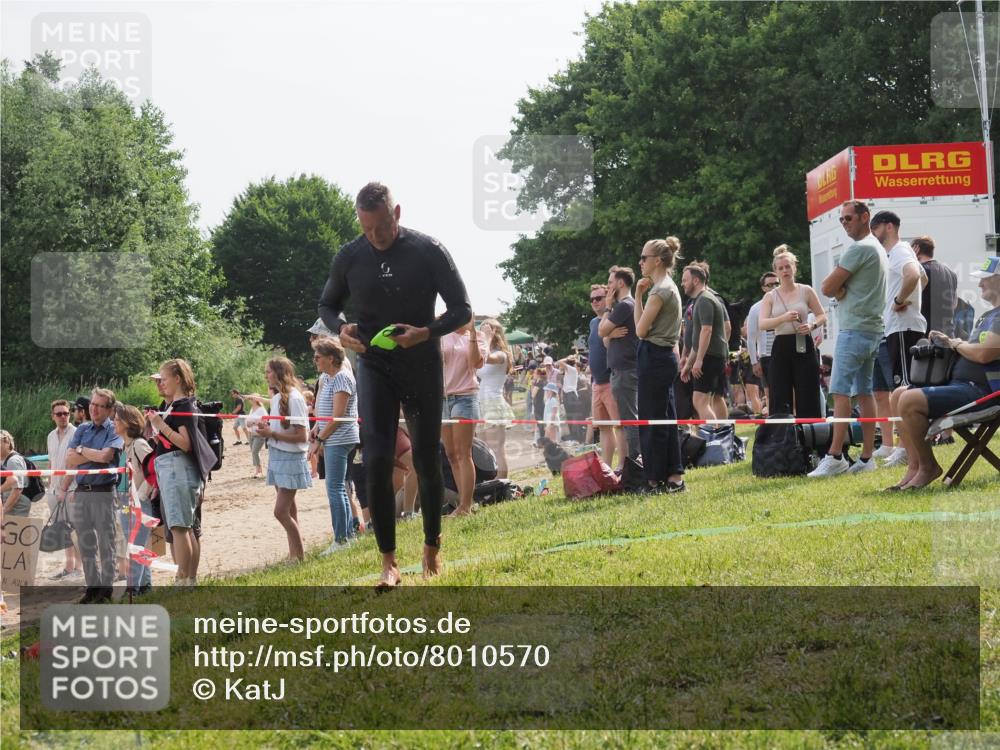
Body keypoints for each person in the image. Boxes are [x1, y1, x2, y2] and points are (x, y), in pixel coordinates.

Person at [317, 181, 472, 588]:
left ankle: (432, 546)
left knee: (425, 457)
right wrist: (341, 329)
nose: (376, 236)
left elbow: (462, 310)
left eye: (382, 227)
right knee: (378, 458)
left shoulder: (427, 250)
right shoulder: (350, 256)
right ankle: (389, 561)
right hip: (374, 364)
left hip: (421, 362)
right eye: (367, 229)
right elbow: (327, 305)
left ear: (396, 213)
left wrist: (426, 332)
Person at [887, 257, 1000, 489]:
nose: (980, 284)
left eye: (985, 279)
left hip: (984, 392)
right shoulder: (987, 316)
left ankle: (928, 467)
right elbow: (974, 350)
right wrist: (950, 342)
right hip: (962, 386)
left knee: (908, 400)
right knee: (898, 394)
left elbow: (984, 354)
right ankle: (915, 467)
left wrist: (954, 343)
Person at [811, 200, 887, 477]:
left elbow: (827, 287)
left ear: (865, 217)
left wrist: (840, 291)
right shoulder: (877, 247)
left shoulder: (859, 248)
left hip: (854, 329)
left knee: (840, 392)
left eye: (848, 218)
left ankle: (835, 456)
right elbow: (835, 288)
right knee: (865, 393)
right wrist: (842, 291)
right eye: (841, 220)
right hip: (872, 329)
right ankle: (866, 458)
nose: (844, 223)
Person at [869, 211, 927, 466]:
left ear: (889, 226)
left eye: (875, 227)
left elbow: (914, 275)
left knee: (903, 392)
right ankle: (905, 447)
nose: (873, 233)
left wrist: (900, 300)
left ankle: (906, 449)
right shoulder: (900, 251)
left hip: (903, 328)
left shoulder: (900, 250)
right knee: (902, 390)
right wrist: (911, 298)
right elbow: (923, 278)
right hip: (900, 328)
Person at [144, 360, 203, 586]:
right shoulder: (174, 405)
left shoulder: (183, 405)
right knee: (185, 528)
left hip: (178, 468)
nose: (161, 383)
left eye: (164, 378)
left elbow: (185, 443)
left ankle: (183, 579)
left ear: (177, 379)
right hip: (173, 467)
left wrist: (161, 425)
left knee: (179, 527)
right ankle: (189, 580)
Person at [634, 237, 686, 493]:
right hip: (663, 357)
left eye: (644, 258)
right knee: (666, 418)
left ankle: (654, 479)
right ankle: (673, 476)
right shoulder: (668, 286)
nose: (640, 262)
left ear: (657, 261)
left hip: (655, 356)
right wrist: (639, 295)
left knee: (652, 420)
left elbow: (640, 330)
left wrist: (638, 296)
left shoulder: (660, 291)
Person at [65, 389, 124, 603]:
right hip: (82, 492)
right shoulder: (82, 428)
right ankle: (92, 587)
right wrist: (92, 454)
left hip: (103, 492)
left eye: (99, 405)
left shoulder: (114, 428)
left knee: (106, 542)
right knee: (85, 543)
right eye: (92, 404)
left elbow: (106, 456)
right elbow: (70, 458)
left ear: (109, 409)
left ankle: (105, 590)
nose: (94, 409)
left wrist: (82, 451)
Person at [253, 357, 311, 562]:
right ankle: (294, 554)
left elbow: (302, 436)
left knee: (280, 511)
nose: (266, 376)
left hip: (291, 458)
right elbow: (278, 430)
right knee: (290, 509)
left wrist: (272, 434)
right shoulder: (277, 398)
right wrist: (266, 430)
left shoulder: (295, 398)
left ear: (279, 373)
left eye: (268, 371)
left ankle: (299, 555)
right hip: (277, 456)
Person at [758, 246, 826, 418]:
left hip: (803, 342)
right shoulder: (770, 296)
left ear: (794, 267)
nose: (785, 271)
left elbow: (822, 315)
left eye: (788, 266)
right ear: (776, 272)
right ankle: (782, 432)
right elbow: (762, 323)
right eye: (780, 268)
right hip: (781, 345)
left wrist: (812, 325)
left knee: (807, 391)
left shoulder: (806, 290)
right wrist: (783, 318)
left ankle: (810, 430)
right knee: (779, 393)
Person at [311, 337, 360, 555]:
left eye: (318, 357)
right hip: (332, 437)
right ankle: (347, 536)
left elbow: (338, 417)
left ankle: (341, 540)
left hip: (340, 439)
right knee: (339, 487)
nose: (315, 360)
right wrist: (316, 427)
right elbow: (326, 412)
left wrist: (320, 439)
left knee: (335, 487)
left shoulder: (342, 377)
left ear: (331, 358)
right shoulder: (327, 377)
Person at [440, 320, 487, 517]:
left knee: (463, 452)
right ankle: (464, 502)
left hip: (465, 397)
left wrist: (473, 334)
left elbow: (475, 363)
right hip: (442, 398)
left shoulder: (478, 337)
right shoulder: (442, 334)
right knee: (451, 453)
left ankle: (466, 506)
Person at [598, 266, 641, 459]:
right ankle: (633, 461)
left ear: (621, 283)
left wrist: (607, 307)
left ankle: (636, 462)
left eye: (610, 283)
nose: (608, 287)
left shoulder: (624, 305)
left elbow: (601, 331)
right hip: (621, 370)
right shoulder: (625, 306)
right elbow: (605, 339)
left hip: (625, 371)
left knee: (630, 419)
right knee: (627, 418)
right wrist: (610, 334)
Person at [114, 404, 155, 596]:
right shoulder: (125, 446)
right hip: (125, 501)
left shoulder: (139, 444)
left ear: (127, 422)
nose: (114, 422)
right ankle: (145, 586)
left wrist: (141, 496)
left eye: (117, 419)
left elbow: (154, 470)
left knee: (135, 547)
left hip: (138, 503)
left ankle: (133, 590)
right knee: (137, 545)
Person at [679, 262, 728, 421]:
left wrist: (699, 360)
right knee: (705, 400)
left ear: (696, 281)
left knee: (700, 401)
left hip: (710, 357)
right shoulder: (700, 300)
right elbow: (697, 340)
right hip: (710, 356)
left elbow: (707, 331)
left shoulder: (705, 300)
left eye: (685, 280)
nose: (682, 284)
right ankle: (717, 434)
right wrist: (688, 363)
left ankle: (713, 435)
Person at [45, 399, 82, 580]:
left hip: (72, 489)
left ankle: (79, 568)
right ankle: (68, 567)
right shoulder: (50, 436)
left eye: (66, 413)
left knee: (76, 530)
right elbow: (51, 461)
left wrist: (64, 488)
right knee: (62, 530)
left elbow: (75, 464)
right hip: (54, 490)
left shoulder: (76, 433)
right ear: (53, 416)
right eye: (59, 414)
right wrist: (50, 486)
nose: (63, 417)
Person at [477, 318, 516, 478]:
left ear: (495, 333)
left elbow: (486, 358)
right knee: (484, 449)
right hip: (481, 403)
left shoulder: (501, 355)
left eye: (486, 330)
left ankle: (503, 483)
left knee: (497, 449)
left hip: (493, 403)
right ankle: (492, 482)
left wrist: (486, 338)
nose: (482, 333)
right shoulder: (486, 351)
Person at [912, 236, 958, 337]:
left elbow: (909, 299)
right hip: (948, 334)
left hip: (927, 334)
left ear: (916, 250)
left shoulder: (920, 271)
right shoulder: (951, 273)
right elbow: (954, 304)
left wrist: (911, 261)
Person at [747, 271, 779, 412]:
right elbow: (751, 337)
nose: (774, 287)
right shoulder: (756, 308)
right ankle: (773, 421)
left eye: (776, 284)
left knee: (791, 391)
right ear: (763, 288)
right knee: (769, 392)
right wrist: (754, 362)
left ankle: (792, 422)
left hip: (786, 352)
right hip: (767, 355)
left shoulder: (787, 303)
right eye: (769, 285)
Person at [0, 430, 30, 517]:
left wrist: (4, 510)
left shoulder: (13, 461)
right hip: (12, 503)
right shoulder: (5, 459)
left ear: (7, 443)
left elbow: (17, 489)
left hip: (17, 506)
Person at [246, 394, 269, 479]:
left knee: (255, 451)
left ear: (256, 399)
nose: (250, 400)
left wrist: (253, 423)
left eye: (251, 398)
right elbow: (248, 421)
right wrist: (248, 423)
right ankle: (257, 470)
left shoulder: (261, 409)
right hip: (251, 433)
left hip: (259, 434)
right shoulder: (251, 409)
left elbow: (265, 421)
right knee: (254, 452)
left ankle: (259, 471)